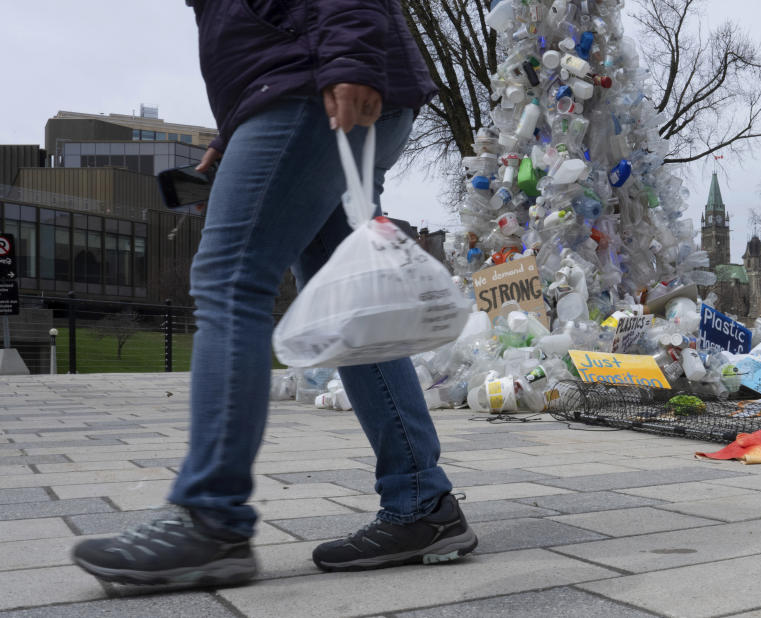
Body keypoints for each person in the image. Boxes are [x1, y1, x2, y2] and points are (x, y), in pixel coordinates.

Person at [72, 0, 476, 585]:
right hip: (312, 74)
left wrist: (349, 55)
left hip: (315, 79)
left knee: (230, 280)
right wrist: (232, 131)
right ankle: (422, 504)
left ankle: (209, 520)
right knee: (354, 305)